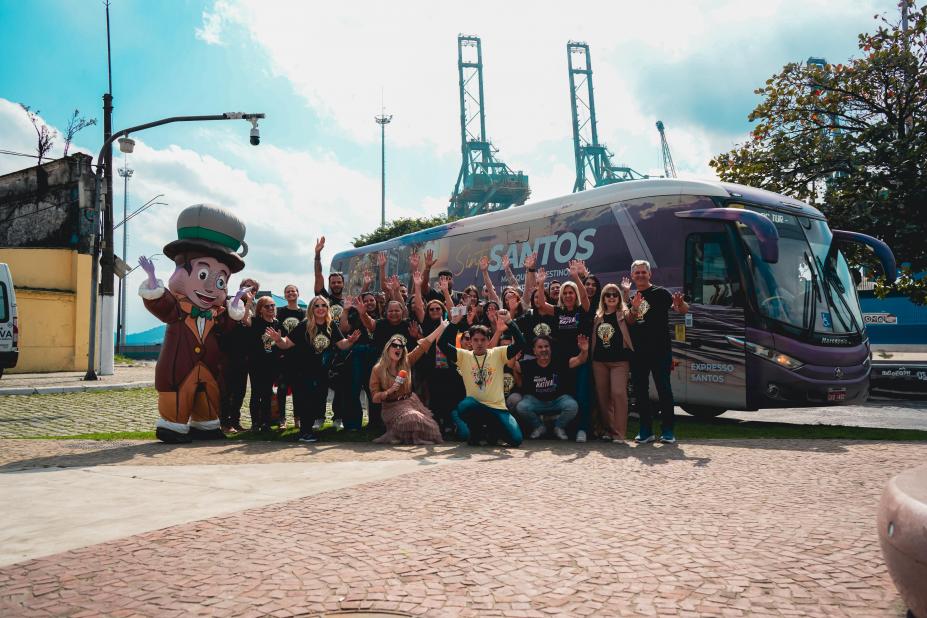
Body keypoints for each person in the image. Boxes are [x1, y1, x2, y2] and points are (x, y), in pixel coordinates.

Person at [267, 295, 361, 443]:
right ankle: (306, 432)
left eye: (323, 305)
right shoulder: (304, 325)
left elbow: (341, 344)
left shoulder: (331, 326)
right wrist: (278, 339)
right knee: (306, 401)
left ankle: (308, 430)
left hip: (322, 370)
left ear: (327, 308)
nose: (320, 308)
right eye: (316, 306)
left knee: (318, 400)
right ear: (312, 309)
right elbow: (286, 344)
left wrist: (350, 341)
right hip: (302, 370)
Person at [439, 306, 526, 447]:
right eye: (475, 340)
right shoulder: (463, 356)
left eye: (483, 340)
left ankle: (493, 430)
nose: (479, 343)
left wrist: (510, 322)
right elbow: (442, 344)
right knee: (464, 405)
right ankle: (477, 431)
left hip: (498, 408)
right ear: (470, 342)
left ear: (488, 340)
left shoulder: (498, 353)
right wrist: (454, 323)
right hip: (476, 407)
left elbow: (521, 343)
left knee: (516, 440)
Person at [626, 259, 688, 444]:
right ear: (632, 276)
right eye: (636, 273)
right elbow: (629, 322)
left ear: (649, 274)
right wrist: (634, 307)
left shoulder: (661, 293)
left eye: (643, 272)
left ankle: (668, 431)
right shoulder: (632, 296)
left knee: (664, 390)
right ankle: (646, 430)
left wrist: (680, 303)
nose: (640, 275)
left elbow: (682, 310)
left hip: (660, 351)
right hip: (638, 352)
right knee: (641, 392)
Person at [534, 260, 592, 442]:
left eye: (571, 293)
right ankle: (565, 429)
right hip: (562, 362)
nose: (568, 296)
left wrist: (575, 277)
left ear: (575, 295)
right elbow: (542, 305)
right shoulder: (558, 311)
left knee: (583, 395)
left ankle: (582, 429)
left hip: (581, 358)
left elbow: (585, 297)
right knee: (567, 396)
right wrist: (541, 283)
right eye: (565, 293)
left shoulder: (582, 310)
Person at [370, 321, 450, 445]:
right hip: (391, 407)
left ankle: (405, 437)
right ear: (387, 348)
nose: (398, 348)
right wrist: (388, 391)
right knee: (412, 418)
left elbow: (423, 345)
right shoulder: (378, 369)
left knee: (433, 428)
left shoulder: (406, 362)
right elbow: (375, 398)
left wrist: (441, 327)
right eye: (394, 345)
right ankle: (397, 435)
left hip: (410, 401)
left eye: (400, 346)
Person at [514, 334, 588, 440]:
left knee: (572, 406)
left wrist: (584, 351)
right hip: (536, 401)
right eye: (540, 347)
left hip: (557, 400)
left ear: (550, 348)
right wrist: (513, 357)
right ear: (534, 351)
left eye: (546, 346)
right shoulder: (528, 364)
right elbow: (512, 365)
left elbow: (580, 360)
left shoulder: (559, 361)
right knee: (521, 406)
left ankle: (559, 427)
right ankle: (539, 427)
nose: (544, 349)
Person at [591, 283, 635, 442]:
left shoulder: (623, 313)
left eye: (614, 295)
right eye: (607, 295)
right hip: (599, 362)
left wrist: (627, 294)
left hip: (620, 362)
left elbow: (632, 316)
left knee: (618, 393)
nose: (611, 297)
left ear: (618, 298)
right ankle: (609, 429)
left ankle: (619, 433)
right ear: (603, 298)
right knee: (603, 398)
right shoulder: (598, 317)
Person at [220, 277, 258, 433]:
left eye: (252, 289)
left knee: (240, 391)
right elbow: (241, 319)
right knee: (228, 389)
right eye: (246, 287)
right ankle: (224, 422)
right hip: (231, 352)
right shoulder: (231, 302)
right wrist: (246, 302)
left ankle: (235, 421)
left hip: (246, 354)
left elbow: (250, 324)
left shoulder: (255, 307)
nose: (248, 290)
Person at [244, 296, 281, 431]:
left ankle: (266, 422)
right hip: (256, 363)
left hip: (271, 363)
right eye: (267, 306)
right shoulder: (255, 321)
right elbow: (244, 319)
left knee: (267, 393)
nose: (271, 308)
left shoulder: (277, 322)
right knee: (256, 393)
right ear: (260, 309)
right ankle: (255, 423)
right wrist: (248, 303)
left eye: (272, 305)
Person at [276, 284, 305, 429]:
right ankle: (282, 418)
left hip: (299, 356)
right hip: (283, 355)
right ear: (285, 295)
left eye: (293, 291)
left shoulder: (304, 313)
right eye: (288, 291)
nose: (291, 293)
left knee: (298, 389)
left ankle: (297, 418)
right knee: (282, 388)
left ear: (298, 293)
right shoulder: (280, 312)